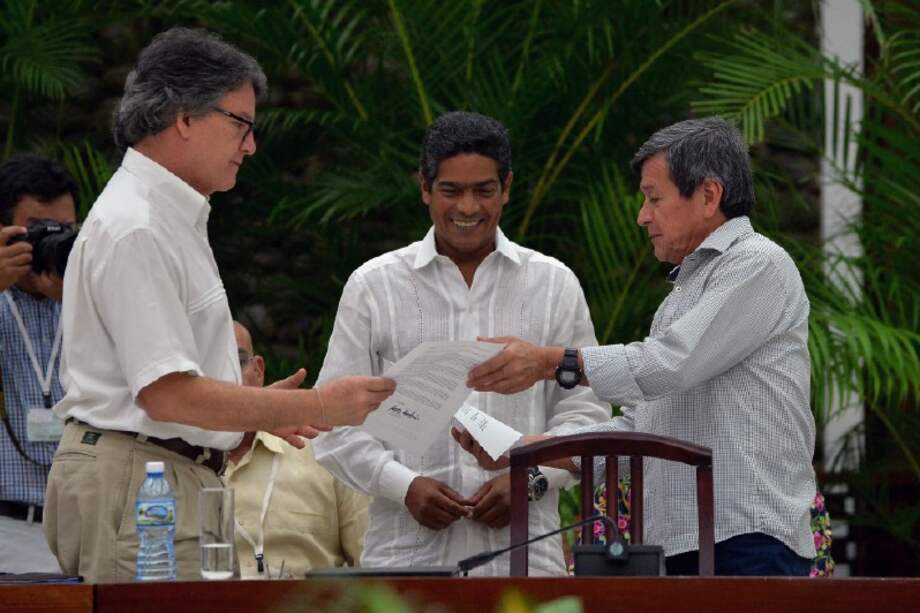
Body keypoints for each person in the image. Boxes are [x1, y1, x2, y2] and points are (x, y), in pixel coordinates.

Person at [43, 27, 394, 583]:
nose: (250, 146)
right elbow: (166, 393)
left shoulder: (164, 214)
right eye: (240, 124)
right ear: (184, 117)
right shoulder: (139, 225)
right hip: (144, 479)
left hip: (162, 472)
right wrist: (318, 406)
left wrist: (259, 408)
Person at [460, 117, 817, 576]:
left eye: (654, 198)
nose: (642, 216)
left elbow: (667, 364)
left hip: (746, 539)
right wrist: (524, 451)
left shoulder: (758, 264)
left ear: (709, 196)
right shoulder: (681, 296)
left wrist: (551, 362)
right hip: (683, 545)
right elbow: (638, 431)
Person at [313, 111, 610, 576]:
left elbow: (588, 417)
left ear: (507, 187)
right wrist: (404, 486)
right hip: (405, 560)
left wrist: (531, 478)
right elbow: (334, 423)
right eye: (451, 191)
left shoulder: (554, 284)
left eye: (484, 191)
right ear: (425, 188)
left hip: (526, 560)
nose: (468, 208)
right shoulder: (373, 286)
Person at [223, 321, 369, 578]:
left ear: (258, 371)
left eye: (237, 361)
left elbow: (372, 563)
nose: (226, 376)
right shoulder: (171, 464)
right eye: (209, 367)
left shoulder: (325, 450)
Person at [0, 154, 77, 574]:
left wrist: (82, 301)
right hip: (7, 525)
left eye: (63, 231)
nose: (51, 242)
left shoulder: (88, 298)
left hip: (81, 527)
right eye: (37, 230)